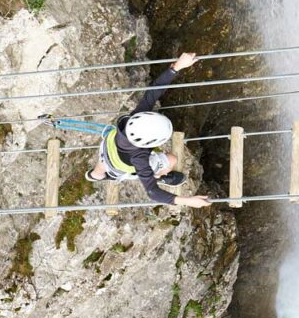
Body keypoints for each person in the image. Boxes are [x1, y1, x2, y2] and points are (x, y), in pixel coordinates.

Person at [86, 52, 211, 209]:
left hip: (109, 147)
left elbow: (153, 92)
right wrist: (188, 200)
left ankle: (96, 175)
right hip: (112, 158)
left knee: (104, 165)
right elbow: (152, 192)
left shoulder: (134, 120)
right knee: (172, 160)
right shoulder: (140, 159)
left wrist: (177, 66)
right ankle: (158, 176)